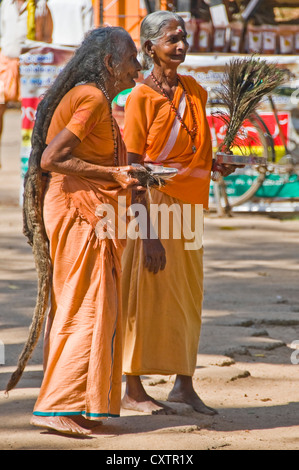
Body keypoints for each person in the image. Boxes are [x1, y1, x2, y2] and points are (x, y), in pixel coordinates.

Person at [6, 26, 142, 436]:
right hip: (75, 211)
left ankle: (80, 403)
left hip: (82, 211)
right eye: (133, 59)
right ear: (109, 63)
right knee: (85, 305)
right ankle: (57, 406)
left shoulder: (91, 97)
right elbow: (52, 157)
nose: (138, 68)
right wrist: (114, 174)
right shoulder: (91, 98)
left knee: (88, 304)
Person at [121, 10, 235, 415]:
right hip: (151, 208)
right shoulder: (140, 98)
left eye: (184, 37)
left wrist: (215, 163)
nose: (181, 45)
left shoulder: (195, 90)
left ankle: (183, 384)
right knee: (142, 294)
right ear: (150, 48)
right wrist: (148, 234)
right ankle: (133, 389)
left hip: (189, 208)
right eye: (172, 40)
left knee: (188, 296)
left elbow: (192, 151)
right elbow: (132, 169)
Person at [0, 0, 52, 152]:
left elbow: (48, 37)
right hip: (6, 63)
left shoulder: (40, 5)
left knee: (32, 110)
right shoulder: (6, 4)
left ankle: (31, 154)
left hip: (31, 67)